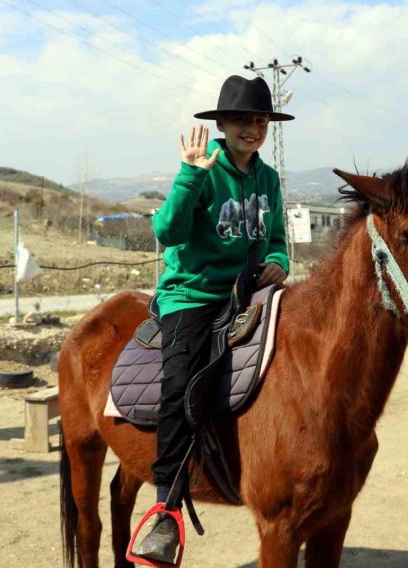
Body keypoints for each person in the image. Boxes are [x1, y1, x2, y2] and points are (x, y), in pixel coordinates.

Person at [133, 75, 293, 564]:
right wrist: (190, 176)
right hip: (195, 295)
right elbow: (168, 230)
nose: (253, 128)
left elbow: (278, 238)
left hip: (251, 291)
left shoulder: (268, 179)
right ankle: (165, 507)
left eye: (261, 120)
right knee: (181, 386)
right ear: (221, 124)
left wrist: (279, 263)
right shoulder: (203, 168)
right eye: (243, 119)